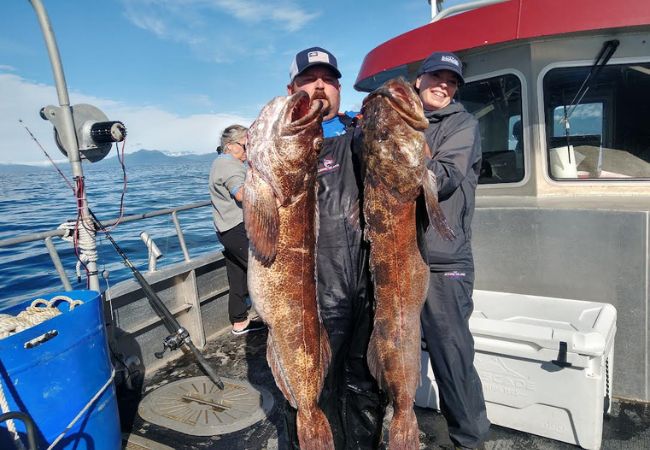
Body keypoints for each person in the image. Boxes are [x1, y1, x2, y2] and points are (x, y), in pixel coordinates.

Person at [284, 46, 385, 449]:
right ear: (292, 89)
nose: (321, 86)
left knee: (366, 385)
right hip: (313, 290)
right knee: (316, 390)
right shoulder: (285, 146)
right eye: (310, 79)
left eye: (329, 80)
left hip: (368, 283)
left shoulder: (360, 134)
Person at [415, 51, 491, 449]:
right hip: (398, 260)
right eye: (435, 76)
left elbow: (441, 179)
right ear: (419, 79)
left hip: (444, 263)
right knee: (388, 350)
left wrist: (399, 145)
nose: (443, 84)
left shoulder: (463, 125)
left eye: (451, 80)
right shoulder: (402, 120)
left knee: (452, 358)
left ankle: (469, 441)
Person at [209, 124, 265, 335]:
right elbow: (241, 194)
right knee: (262, 273)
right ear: (231, 146)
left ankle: (239, 322)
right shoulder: (228, 164)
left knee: (238, 274)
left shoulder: (221, 163)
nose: (248, 149)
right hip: (237, 228)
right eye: (245, 145)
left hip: (226, 229)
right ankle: (273, 320)